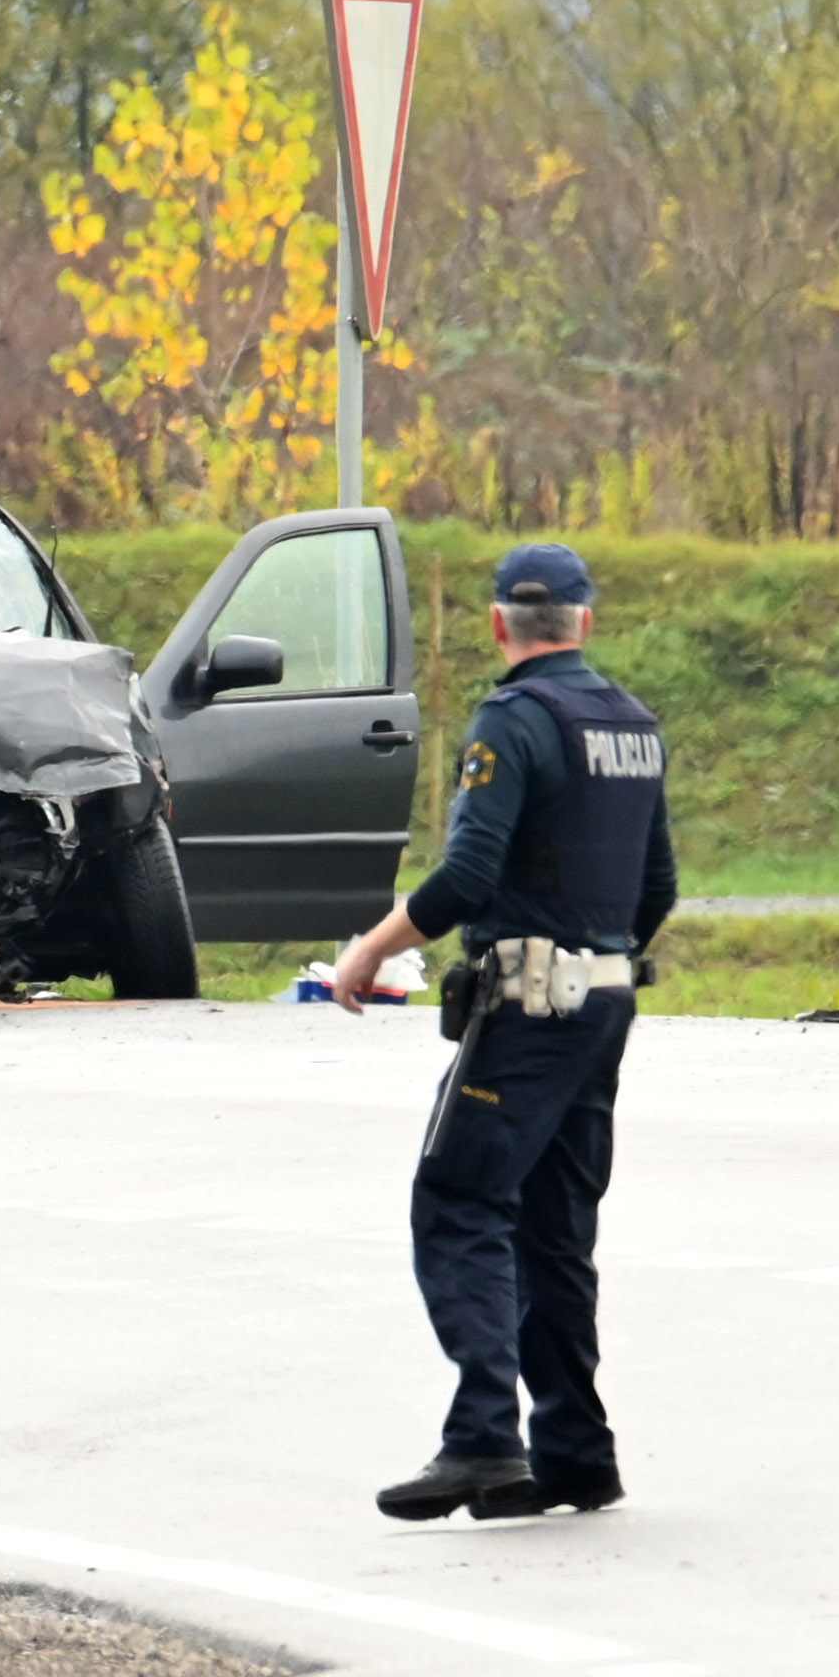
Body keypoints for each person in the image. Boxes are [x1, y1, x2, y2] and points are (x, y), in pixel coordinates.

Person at [329, 541, 679, 1522]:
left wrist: (372, 947)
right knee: (555, 1226)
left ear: (498, 624)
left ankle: (485, 1436)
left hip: (529, 1004)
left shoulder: (515, 720)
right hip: (605, 1000)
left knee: (461, 1198)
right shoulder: (633, 726)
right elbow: (659, 887)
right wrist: (598, 962)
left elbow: (469, 875)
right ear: (584, 620)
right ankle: (574, 1450)